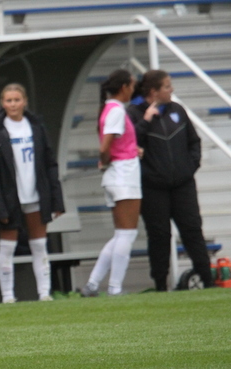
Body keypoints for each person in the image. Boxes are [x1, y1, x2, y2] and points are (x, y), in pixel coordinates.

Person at [128, 70, 214, 291]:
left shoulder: (177, 110)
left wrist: (190, 166)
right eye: (167, 86)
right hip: (153, 188)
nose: (171, 89)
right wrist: (146, 122)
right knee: (159, 236)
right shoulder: (134, 113)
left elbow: (194, 142)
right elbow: (129, 145)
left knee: (192, 230)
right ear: (153, 92)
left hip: (183, 184)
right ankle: (160, 286)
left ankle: (208, 280)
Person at [0, 83, 64, 303]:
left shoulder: (35, 126)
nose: (13, 104)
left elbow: (49, 163)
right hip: (10, 198)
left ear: (25, 101)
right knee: (7, 246)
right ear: (2, 103)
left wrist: (56, 199)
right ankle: (8, 296)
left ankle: (44, 293)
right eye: (8, 100)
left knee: (39, 245)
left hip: (35, 195)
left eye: (17, 100)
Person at [80, 69, 141, 297]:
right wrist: (104, 161)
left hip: (117, 175)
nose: (133, 90)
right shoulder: (116, 110)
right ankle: (115, 288)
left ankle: (93, 284)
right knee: (127, 234)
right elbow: (105, 147)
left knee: (119, 234)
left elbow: (115, 144)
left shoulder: (108, 109)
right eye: (132, 85)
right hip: (123, 175)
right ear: (124, 87)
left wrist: (133, 150)